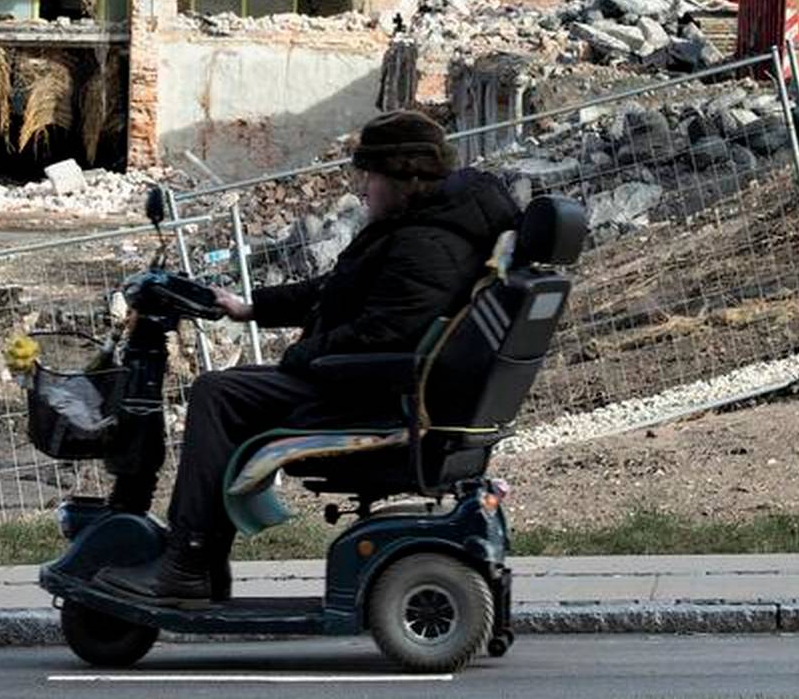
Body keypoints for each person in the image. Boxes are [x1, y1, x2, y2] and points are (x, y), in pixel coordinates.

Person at [95, 109, 518, 605]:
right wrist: (250, 308)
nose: (363, 190)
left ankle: (187, 565)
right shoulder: (425, 226)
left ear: (404, 178)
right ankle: (202, 565)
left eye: (370, 177)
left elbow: (380, 334)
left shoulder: (426, 245)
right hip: (370, 385)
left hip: (366, 397)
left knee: (216, 393)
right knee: (233, 392)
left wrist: (302, 357)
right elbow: (338, 291)